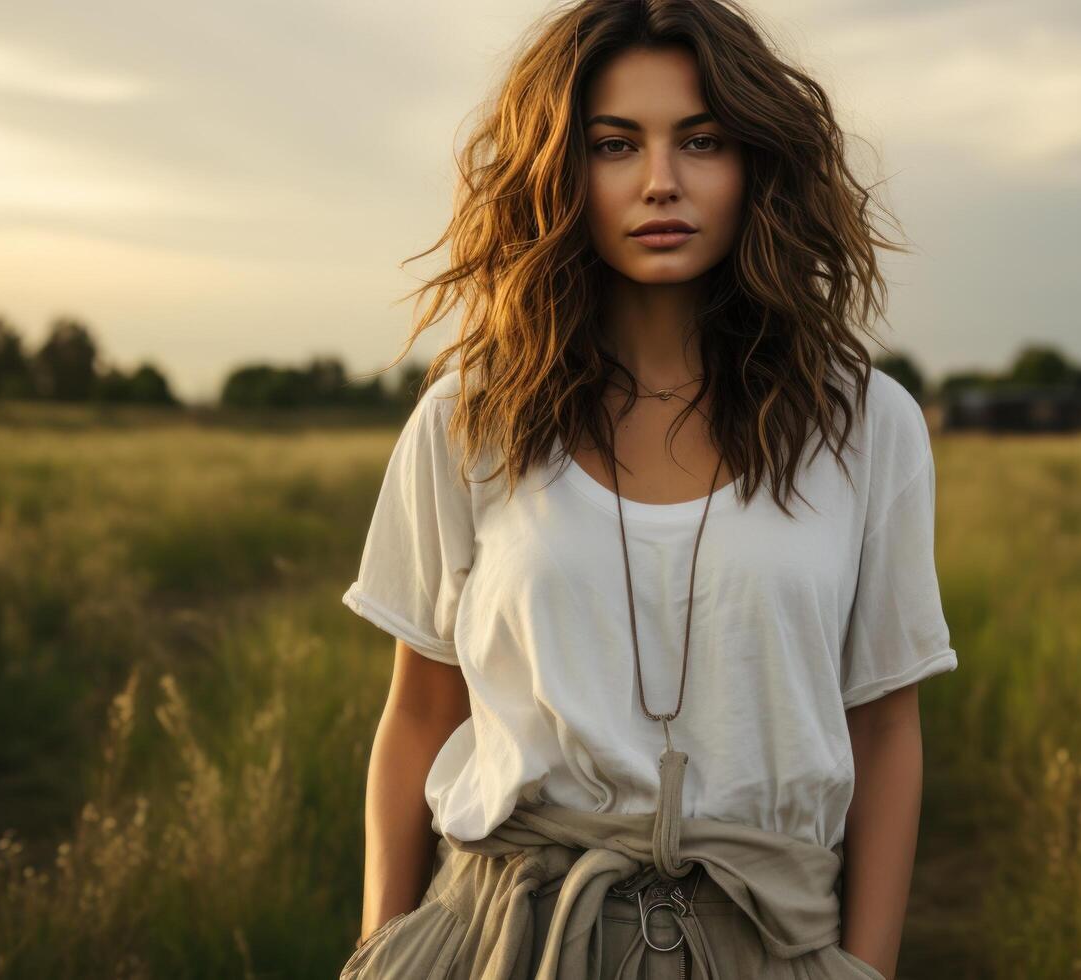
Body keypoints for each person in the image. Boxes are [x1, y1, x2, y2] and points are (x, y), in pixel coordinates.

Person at [339, 2, 957, 977]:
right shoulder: (470, 419)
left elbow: (884, 726)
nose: (661, 182)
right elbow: (420, 710)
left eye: (701, 140)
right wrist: (382, 947)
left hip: (764, 937)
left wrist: (864, 968)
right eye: (615, 144)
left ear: (756, 162)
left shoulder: (867, 425)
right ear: (559, 172)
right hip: (501, 936)